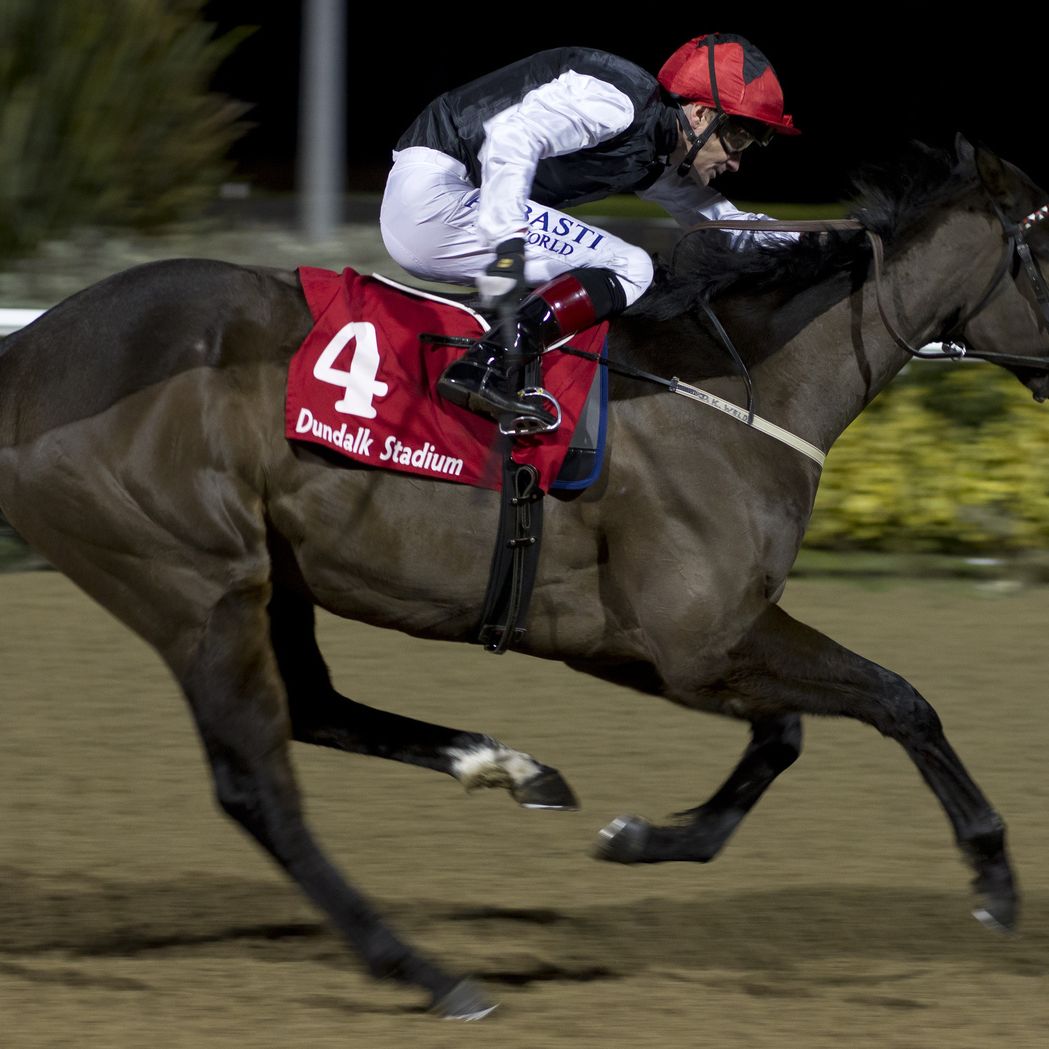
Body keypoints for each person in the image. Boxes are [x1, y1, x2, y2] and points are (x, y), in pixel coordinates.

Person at [380, 32, 799, 433]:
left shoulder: (654, 152)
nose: (736, 162)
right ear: (701, 114)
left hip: (444, 205)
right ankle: (485, 366)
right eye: (737, 138)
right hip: (433, 197)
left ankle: (509, 373)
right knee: (631, 266)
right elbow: (512, 136)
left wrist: (817, 240)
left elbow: (720, 222)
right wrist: (508, 243)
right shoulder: (617, 103)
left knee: (613, 272)